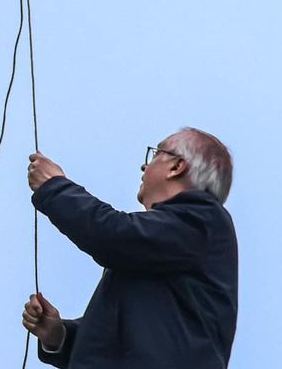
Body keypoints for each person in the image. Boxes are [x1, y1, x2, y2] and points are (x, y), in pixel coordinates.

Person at [21, 127, 238, 369]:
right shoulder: (163, 245)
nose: (144, 167)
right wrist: (59, 335)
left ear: (177, 166)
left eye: (156, 154)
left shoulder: (201, 220)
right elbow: (125, 341)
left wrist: (54, 187)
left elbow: (113, 234)